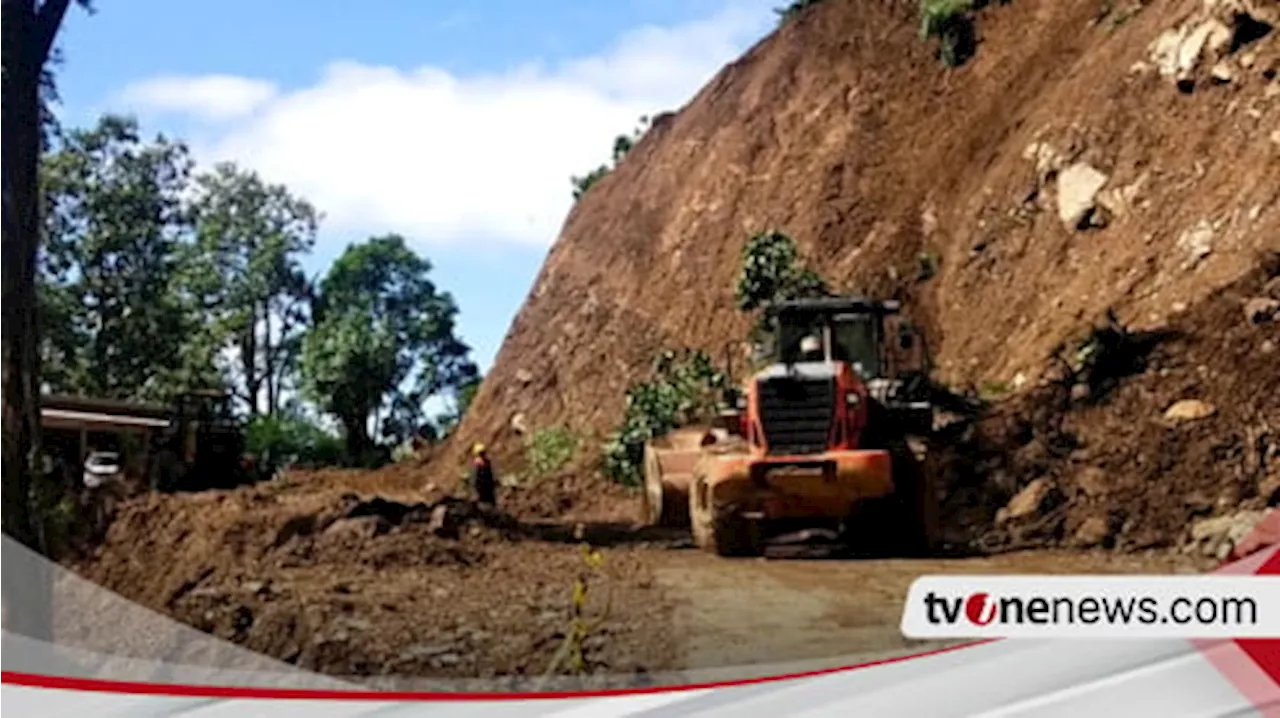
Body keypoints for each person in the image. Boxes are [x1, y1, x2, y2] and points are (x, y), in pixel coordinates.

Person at [471, 442, 497, 508]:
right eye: (481, 454)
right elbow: (475, 480)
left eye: (483, 453)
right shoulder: (477, 465)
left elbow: (491, 476)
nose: (482, 455)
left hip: (489, 492)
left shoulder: (487, 463)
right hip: (481, 493)